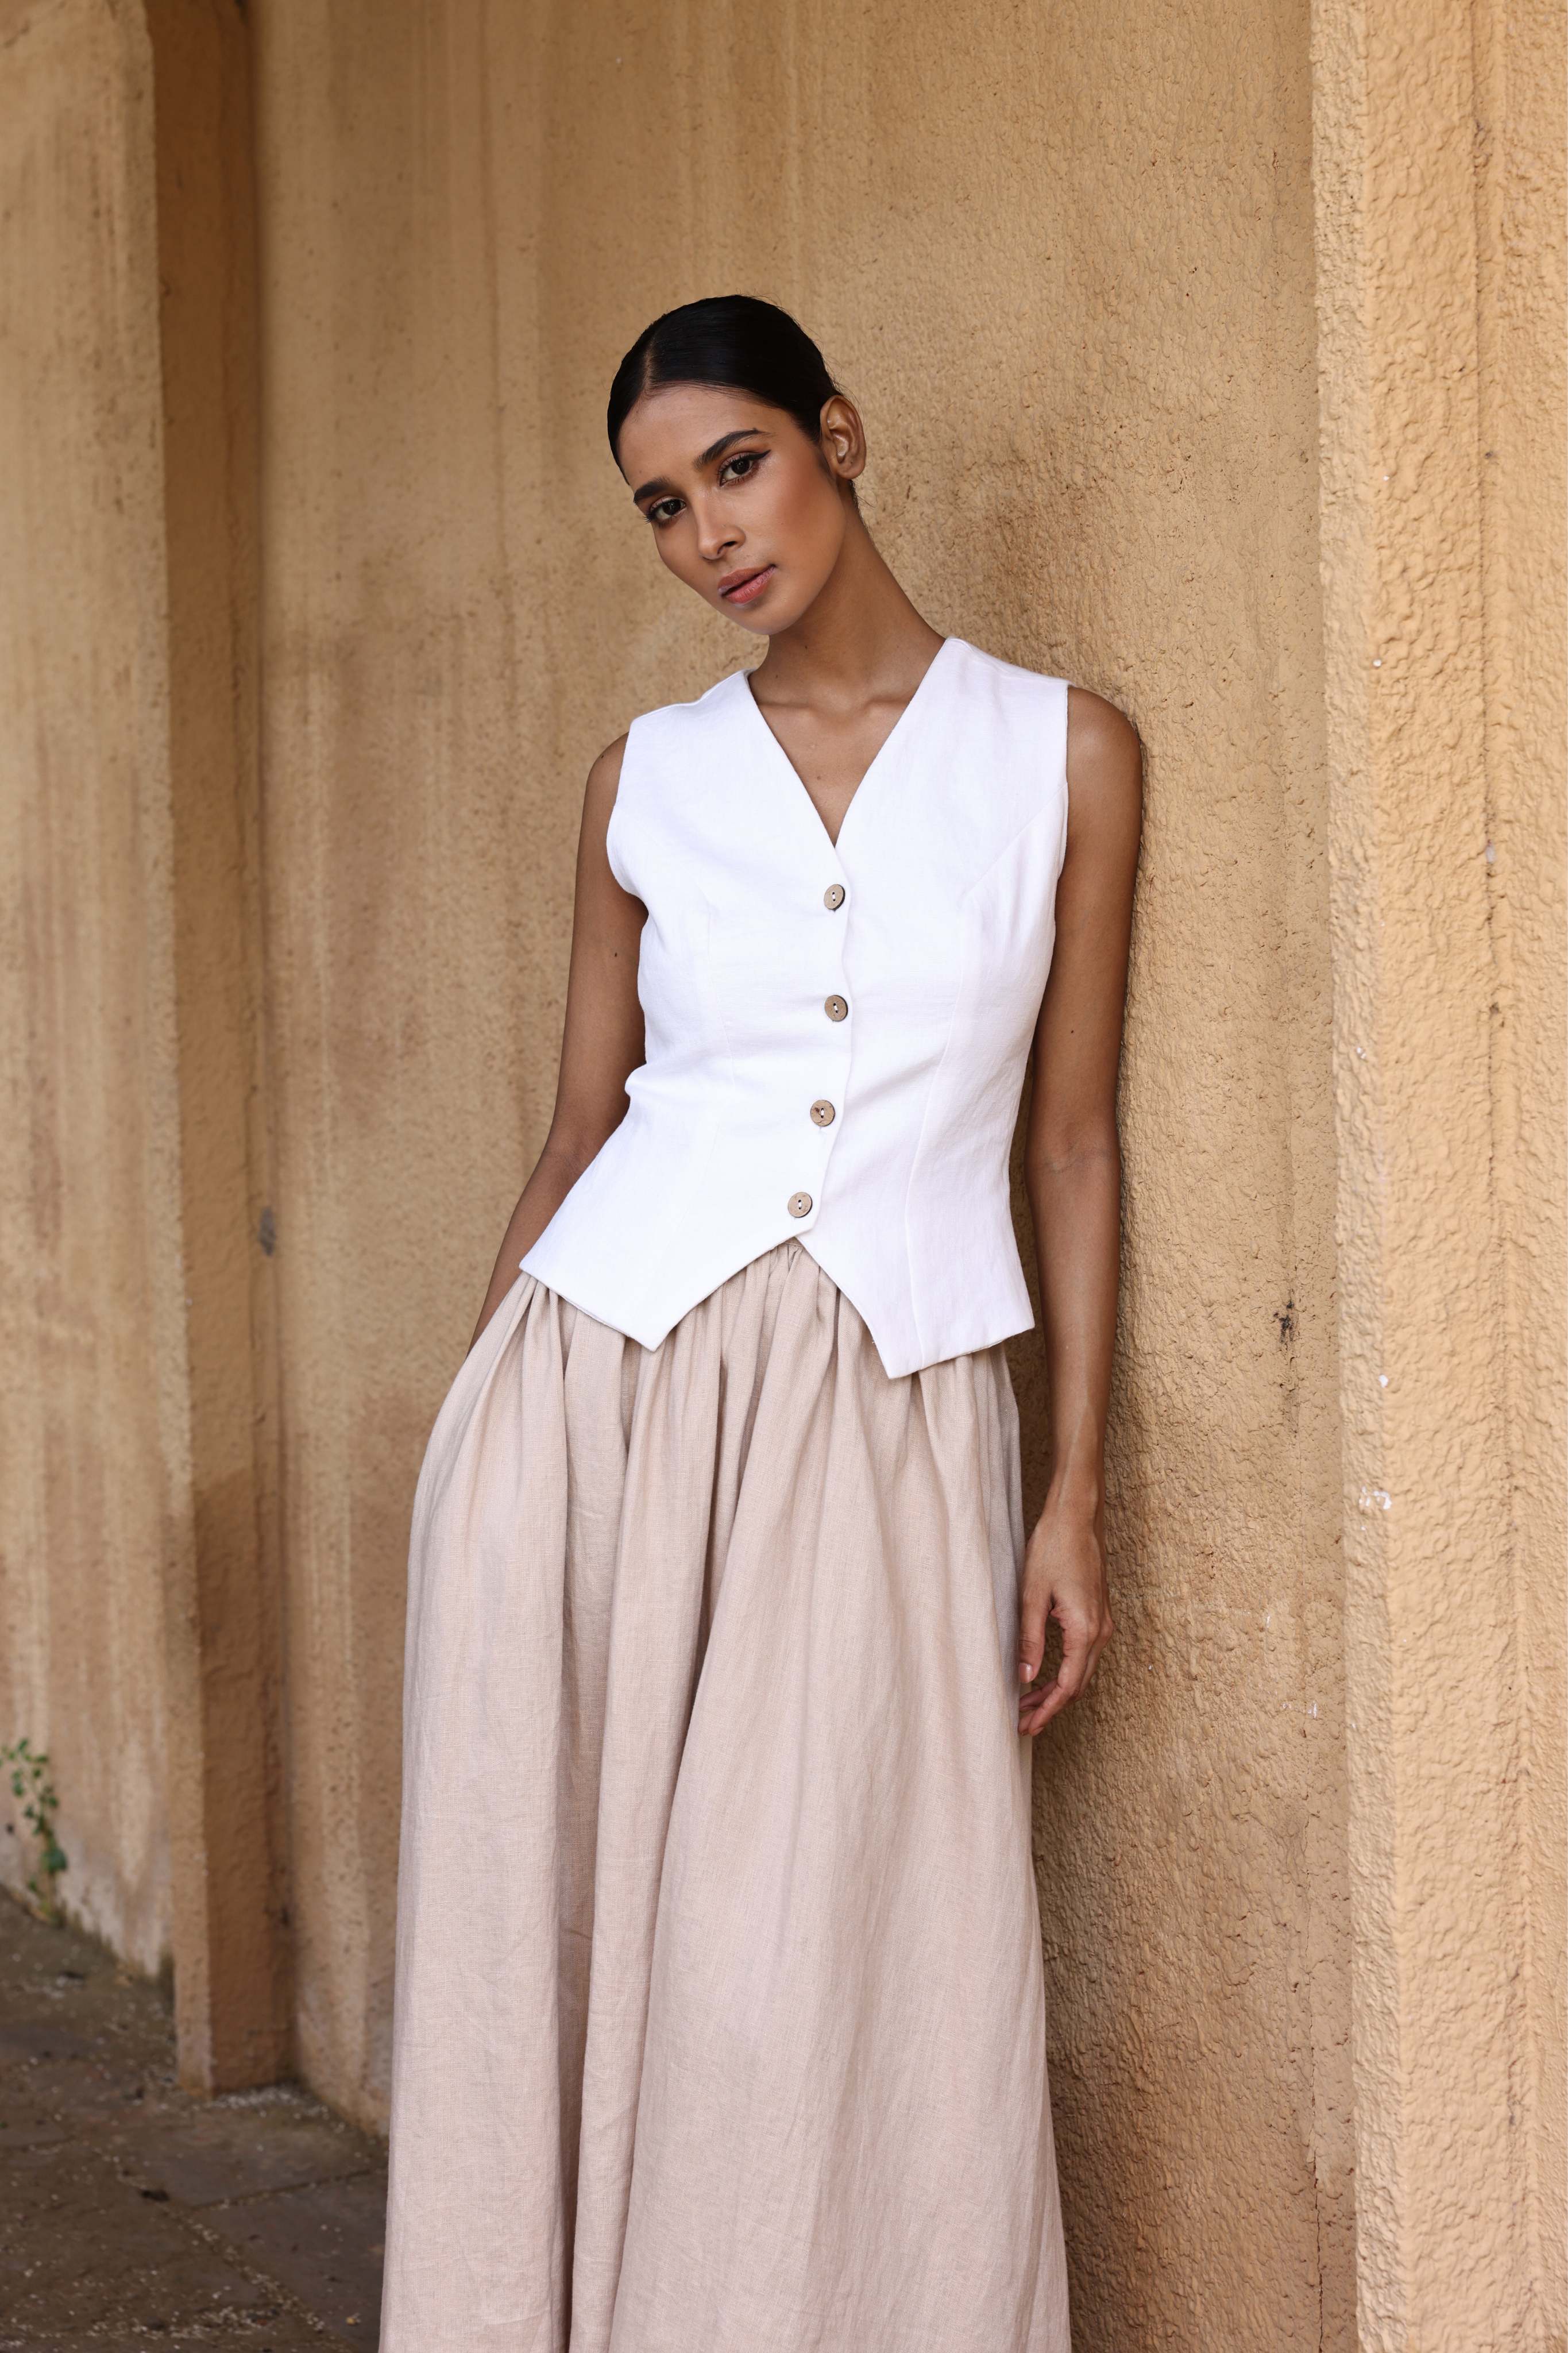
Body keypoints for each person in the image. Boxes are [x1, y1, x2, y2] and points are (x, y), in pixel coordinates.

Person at [379, 294, 1142, 2353]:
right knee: (569, 1941)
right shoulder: (646, 779)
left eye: (735, 466)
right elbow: (575, 1130)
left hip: (884, 1414)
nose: (711, 532)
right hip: (598, 1396)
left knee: (787, 1970)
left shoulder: (1059, 748)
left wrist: (1069, 1491)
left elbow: (1066, 1146)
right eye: (659, 507)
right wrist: (476, 1421)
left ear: (838, 434)